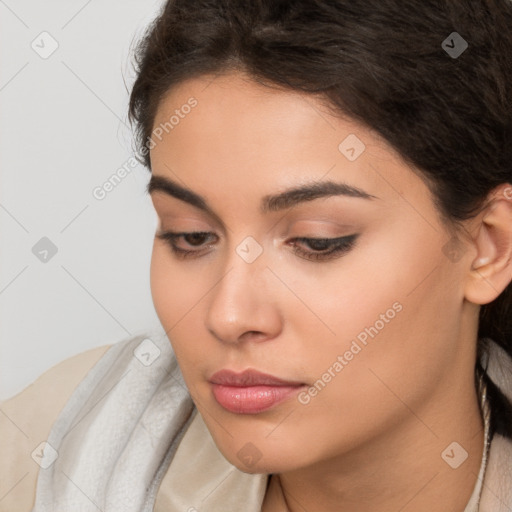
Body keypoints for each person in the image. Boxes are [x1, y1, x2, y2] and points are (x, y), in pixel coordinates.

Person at [1, 0, 512, 510]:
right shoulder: (49, 448)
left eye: (316, 241)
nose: (228, 316)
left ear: (489, 246)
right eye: (191, 235)